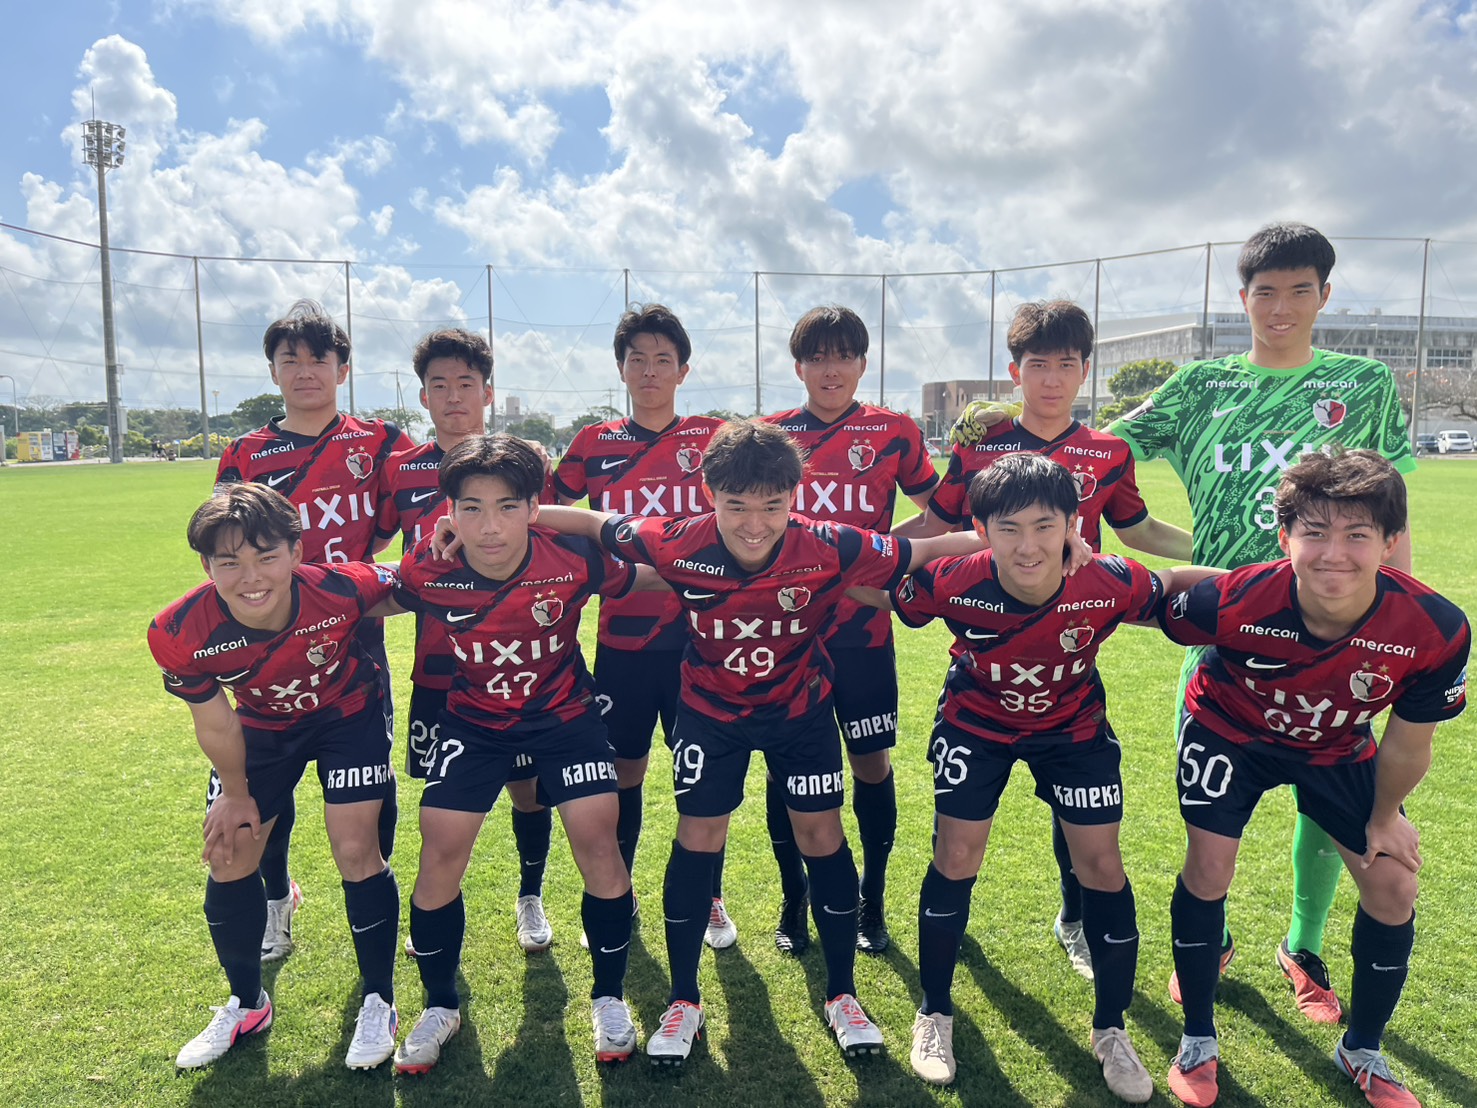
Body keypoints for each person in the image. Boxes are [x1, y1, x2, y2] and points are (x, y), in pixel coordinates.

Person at [953, 229, 1420, 1018]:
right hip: (1219, 620)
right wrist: (1005, 422)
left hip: (1335, 624)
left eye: (1298, 290)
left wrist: (1397, 610)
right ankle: (1216, 936)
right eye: (1264, 291)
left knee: (1332, 789)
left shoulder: (1362, 382)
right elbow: (1094, 446)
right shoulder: (1201, 384)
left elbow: (1391, 509)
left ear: (1323, 295)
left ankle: (1303, 943)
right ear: (1242, 298)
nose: (1280, 307)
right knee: (1205, 799)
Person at [529, 419, 984, 1066]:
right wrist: (515, 516)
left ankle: (842, 995)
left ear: (794, 496)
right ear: (708, 495)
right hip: (710, 714)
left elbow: (927, 549)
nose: (753, 523)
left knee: (821, 835)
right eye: (736, 505)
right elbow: (593, 523)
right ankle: (683, 1000)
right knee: (698, 835)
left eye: (772, 506)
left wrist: (1028, 540)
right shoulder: (675, 539)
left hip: (800, 714)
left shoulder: (829, 543)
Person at [854, 452, 1218, 1098]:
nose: (1028, 547)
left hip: (1072, 730)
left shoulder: (1104, 579)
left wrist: (1275, 581)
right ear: (981, 530)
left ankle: (1111, 1030)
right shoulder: (953, 579)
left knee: (1101, 865)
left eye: (1045, 527)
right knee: (956, 853)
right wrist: (794, 576)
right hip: (976, 723)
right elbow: (879, 587)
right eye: (1009, 529)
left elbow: (1170, 584)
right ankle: (933, 1013)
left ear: (1073, 525)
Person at [1160, 448, 1466, 1108]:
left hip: (1333, 746)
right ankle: (1198, 1038)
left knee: (1393, 884)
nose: (1333, 554)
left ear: (1389, 542)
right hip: (1228, 732)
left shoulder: (1434, 629)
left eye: (1357, 535)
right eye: (1315, 532)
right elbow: (1150, 593)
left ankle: (1361, 1049)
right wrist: (1069, 562)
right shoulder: (1240, 597)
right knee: (1208, 868)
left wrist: (1384, 817)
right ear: (1285, 538)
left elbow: (1408, 744)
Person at [900, 300, 1192, 980]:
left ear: (1085, 370)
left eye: (1066, 364)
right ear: (1015, 371)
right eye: (1038, 365)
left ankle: (1075, 919)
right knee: (960, 824)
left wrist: (1217, 550)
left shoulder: (1108, 452)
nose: (1052, 380)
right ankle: (947, 920)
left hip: (1068, 646)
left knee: (1078, 810)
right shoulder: (981, 441)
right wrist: (860, 556)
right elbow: (939, 523)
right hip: (990, 641)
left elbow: (1139, 531)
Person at [386, 434, 654, 1074]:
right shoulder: (429, 567)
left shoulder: (573, 556)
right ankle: (440, 1004)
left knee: (598, 838)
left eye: (508, 507)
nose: (490, 527)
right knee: (440, 846)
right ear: (449, 512)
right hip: (474, 723)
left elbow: (650, 574)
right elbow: (359, 601)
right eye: (471, 509)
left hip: (566, 719)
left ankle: (609, 996)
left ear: (534, 507)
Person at [147, 484, 404, 1070]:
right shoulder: (178, 630)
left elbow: (416, 582)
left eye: (266, 557)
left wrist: (450, 544)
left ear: (296, 551)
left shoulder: (341, 586)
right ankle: (246, 1002)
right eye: (229, 562)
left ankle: (378, 1000)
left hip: (349, 717)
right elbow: (215, 721)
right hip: (262, 727)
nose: (250, 578)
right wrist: (235, 795)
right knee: (229, 850)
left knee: (357, 848)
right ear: (206, 566)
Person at [213, 299, 411, 963]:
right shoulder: (245, 452)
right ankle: (276, 899)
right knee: (268, 781)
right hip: (268, 644)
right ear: (272, 371)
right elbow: (225, 542)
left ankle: (375, 894)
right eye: (289, 359)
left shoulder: (380, 442)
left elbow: (408, 507)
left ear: (342, 369)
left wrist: (342, 585)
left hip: (354, 642)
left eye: (318, 359)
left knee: (369, 787)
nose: (304, 371)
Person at [759, 305, 941, 955]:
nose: (830, 370)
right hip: (785, 636)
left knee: (870, 763)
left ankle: (873, 899)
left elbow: (942, 513)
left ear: (863, 364)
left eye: (843, 356)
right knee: (786, 769)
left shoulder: (893, 430)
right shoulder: (770, 436)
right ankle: (794, 899)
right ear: (798, 367)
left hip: (862, 635)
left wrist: (876, 554)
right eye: (817, 357)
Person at [551, 304, 734, 949]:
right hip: (623, 642)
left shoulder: (716, 438)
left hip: (704, 639)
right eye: (638, 360)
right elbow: (542, 511)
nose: (650, 371)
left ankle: (709, 897)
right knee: (623, 769)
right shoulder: (592, 443)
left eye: (663, 360)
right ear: (621, 368)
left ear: (684, 370)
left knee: (703, 773)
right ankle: (619, 890)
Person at [379, 329, 562, 954]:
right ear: (423, 396)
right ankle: (435, 904)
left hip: (523, 664)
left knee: (529, 791)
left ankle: (530, 895)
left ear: (487, 391)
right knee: (444, 799)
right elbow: (381, 551)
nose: (453, 397)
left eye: (466, 384)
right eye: (440, 385)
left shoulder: (527, 462)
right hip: (439, 665)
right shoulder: (402, 470)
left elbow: (550, 535)